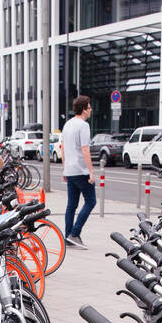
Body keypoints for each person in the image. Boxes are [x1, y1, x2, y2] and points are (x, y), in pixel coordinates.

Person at [62, 95, 95, 249]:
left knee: (71, 205)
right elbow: (85, 149)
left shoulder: (67, 124)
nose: (91, 110)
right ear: (83, 109)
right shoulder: (83, 126)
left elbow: (63, 149)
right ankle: (75, 233)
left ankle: (68, 236)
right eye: (89, 107)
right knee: (91, 201)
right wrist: (91, 171)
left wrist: (64, 168)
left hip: (69, 170)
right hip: (81, 170)